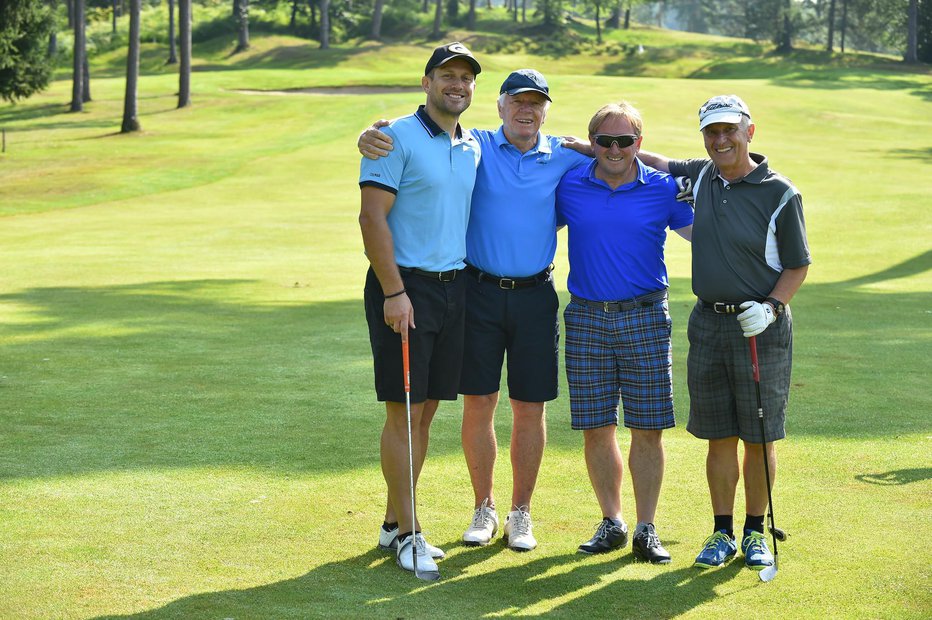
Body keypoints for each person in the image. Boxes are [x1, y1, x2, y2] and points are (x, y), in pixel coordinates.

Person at [359, 69, 590, 551]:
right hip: (476, 292)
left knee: (530, 406)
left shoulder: (568, 156)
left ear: (546, 109)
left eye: (536, 103)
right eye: (517, 101)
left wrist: (642, 155)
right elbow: (421, 135)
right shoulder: (474, 144)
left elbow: (619, 157)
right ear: (500, 105)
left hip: (536, 296)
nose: (527, 110)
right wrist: (372, 132)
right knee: (478, 402)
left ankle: (520, 512)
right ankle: (483, 507)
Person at [637, 94, 810, 572]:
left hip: (760, 326)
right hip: (709, 322)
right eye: (712, 132)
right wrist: (590, 148)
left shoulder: (780, 193)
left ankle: (755, 532)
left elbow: (798, 265)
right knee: (718, 437)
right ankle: (721, 532)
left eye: (729, 130)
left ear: (749, 132)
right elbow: (652, 159)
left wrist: (773, 307)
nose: (720, 140)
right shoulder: (700, 174)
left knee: (758, 437)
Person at [357, 41, 482, 578]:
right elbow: (371, 219)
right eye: (447, 75)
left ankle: (392, 521)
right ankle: (410, 532)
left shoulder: (473, 142)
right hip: (404, 287)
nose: (457, 84)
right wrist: (392, 291)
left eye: (466, 77)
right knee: (404, 411)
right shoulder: (394, 138)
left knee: (426, 411)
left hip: (454, 289)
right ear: (426, 81)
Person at [555, 102, 693, 564]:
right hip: (587, 317)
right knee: (596, 426)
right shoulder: (570, 182)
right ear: (591, 142)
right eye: (604, 141)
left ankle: (646, 527)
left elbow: (709, 234)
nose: (615, 150)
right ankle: (611, 521)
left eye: (625, 141)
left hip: (645, 316)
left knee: (647, 427)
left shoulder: (663, 189)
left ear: (640, 142)